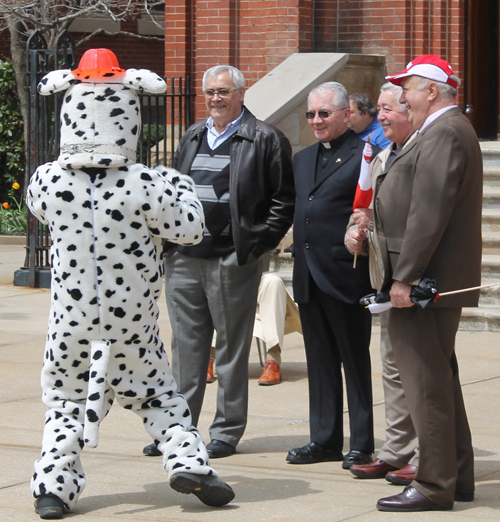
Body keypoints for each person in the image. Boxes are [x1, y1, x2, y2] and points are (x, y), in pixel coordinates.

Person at [26, 49, 234, 519]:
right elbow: (191, 229)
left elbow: (37, 209)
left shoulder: (49, 181)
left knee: (64, 402)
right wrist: (178, 184)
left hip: (71, 323)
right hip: (131, 321)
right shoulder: (148, 184)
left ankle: (54, 487)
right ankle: (188, 463)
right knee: (158, 393)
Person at [163, 65, 295, 459]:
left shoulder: (265, 138)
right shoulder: (192, 135)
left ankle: (226, 430)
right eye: (209, 92)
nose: (215, 98)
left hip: (231, 258)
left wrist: (254, 247)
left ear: (241, 93)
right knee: (186, 348)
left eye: (223, 91)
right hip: (185, 258)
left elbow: (283, 201)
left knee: (231, 349)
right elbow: (173, 189)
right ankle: (178, 432)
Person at [373, 54, 482, 511]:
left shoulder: (444, 132)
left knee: (425, 385)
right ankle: (455, 476)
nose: (403, 97)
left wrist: (405, 278)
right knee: (438, 381)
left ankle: (435, 485)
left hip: (425, 284)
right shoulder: (443, 130)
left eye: (409, 89)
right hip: (430, 280)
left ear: (432, 91)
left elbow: (428, 213)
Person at [286, 81, 376, 470]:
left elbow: (373, 210)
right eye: (311, 114)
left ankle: (362, 443)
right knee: (319, 362)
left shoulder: (367, 156)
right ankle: (323, 440)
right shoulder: (302, 158)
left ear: (346, 115)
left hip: (345, 274)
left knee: (354, 361)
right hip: (308, 273)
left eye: (324, 113)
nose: (317, 121)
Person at [345, 82, 420, 483]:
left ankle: (427, 455)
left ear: (410, 110)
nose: (381, 117)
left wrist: (408, 276)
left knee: (421, 372)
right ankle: (395, 450)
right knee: (392, 369)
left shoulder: (423, 153)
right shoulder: (380, 155)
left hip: (417, 283)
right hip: (386, 282)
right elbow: (362, 212)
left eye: (388, 109)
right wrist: (354, 234)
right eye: (380, 110)